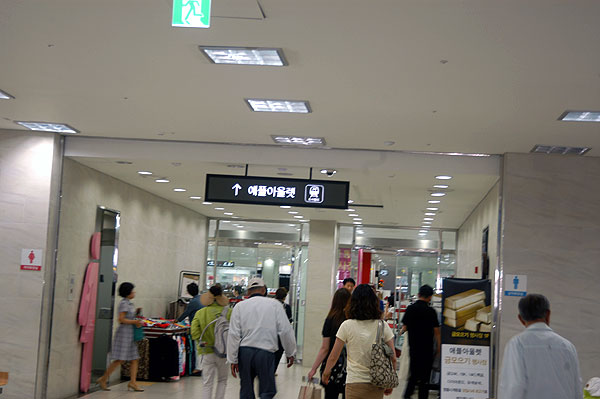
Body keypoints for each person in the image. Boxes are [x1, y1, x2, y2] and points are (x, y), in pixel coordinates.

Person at [498, 293, 581, 399]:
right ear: (548, 314)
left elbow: (513, 387)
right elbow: (577, 388)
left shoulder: (517, 344)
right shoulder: (568, 346)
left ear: (521, 319)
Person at [323, 284, 397, 399]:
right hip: (376, 382)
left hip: (354, 383)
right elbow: (393, 357)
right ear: (375, 303)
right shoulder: (382, 326)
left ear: (352, 303)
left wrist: (326, 372)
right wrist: (390, 379)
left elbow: (333, 356)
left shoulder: (347, 325)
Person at [227, 277, 296, 399]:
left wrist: (232, 359)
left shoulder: (239, 307)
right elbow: (285, 330)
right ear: (264, 290)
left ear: (248, 292)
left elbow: (233, 334)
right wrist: (290, 352)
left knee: (246, 390)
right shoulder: (275, 305)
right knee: (266, 391)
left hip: (245, 352)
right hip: (266, 352)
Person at [96, 282, 144, 392]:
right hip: (124, 334)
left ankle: (133, 382)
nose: (134, 292)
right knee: (120, 359)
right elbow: (121, 319)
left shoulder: (129, 304)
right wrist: (134, 321)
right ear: (128, 292)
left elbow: (127, 316)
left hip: (130, 334)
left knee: (134, 359)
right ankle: (103, 379)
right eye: (132, 291)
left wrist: (136, 313)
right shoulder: (123, 304)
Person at [308, 288, 352, 399]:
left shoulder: (330, 320)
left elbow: (325, 348)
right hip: (350, 368)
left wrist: (314, 368)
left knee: (330, 395)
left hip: (331, 367)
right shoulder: (352, 320)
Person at [191, 284, 232, 399]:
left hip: (206, 351)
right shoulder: (229, 312)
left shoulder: (201, 313)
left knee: (207, 382)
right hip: (223, 352)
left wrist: (203, 341)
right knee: (222, 380)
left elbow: (194, 332)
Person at [400, 284, 440, 399]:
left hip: (414, 348)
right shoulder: (431, 311)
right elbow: (437, 332)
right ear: (430, 297)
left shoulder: (411, 309)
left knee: (413, 375)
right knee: (425, 379)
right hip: (427, 350)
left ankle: (407, 395)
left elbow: (405, 327)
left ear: (418, 295)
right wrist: (438, 348)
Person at [273, 287, 293, 373]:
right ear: (285, 297)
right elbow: (289, 321)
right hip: (280, 335)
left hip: (268, 334)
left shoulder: (269, 305)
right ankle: (272, 371)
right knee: (278, 353)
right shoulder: (287, 307)